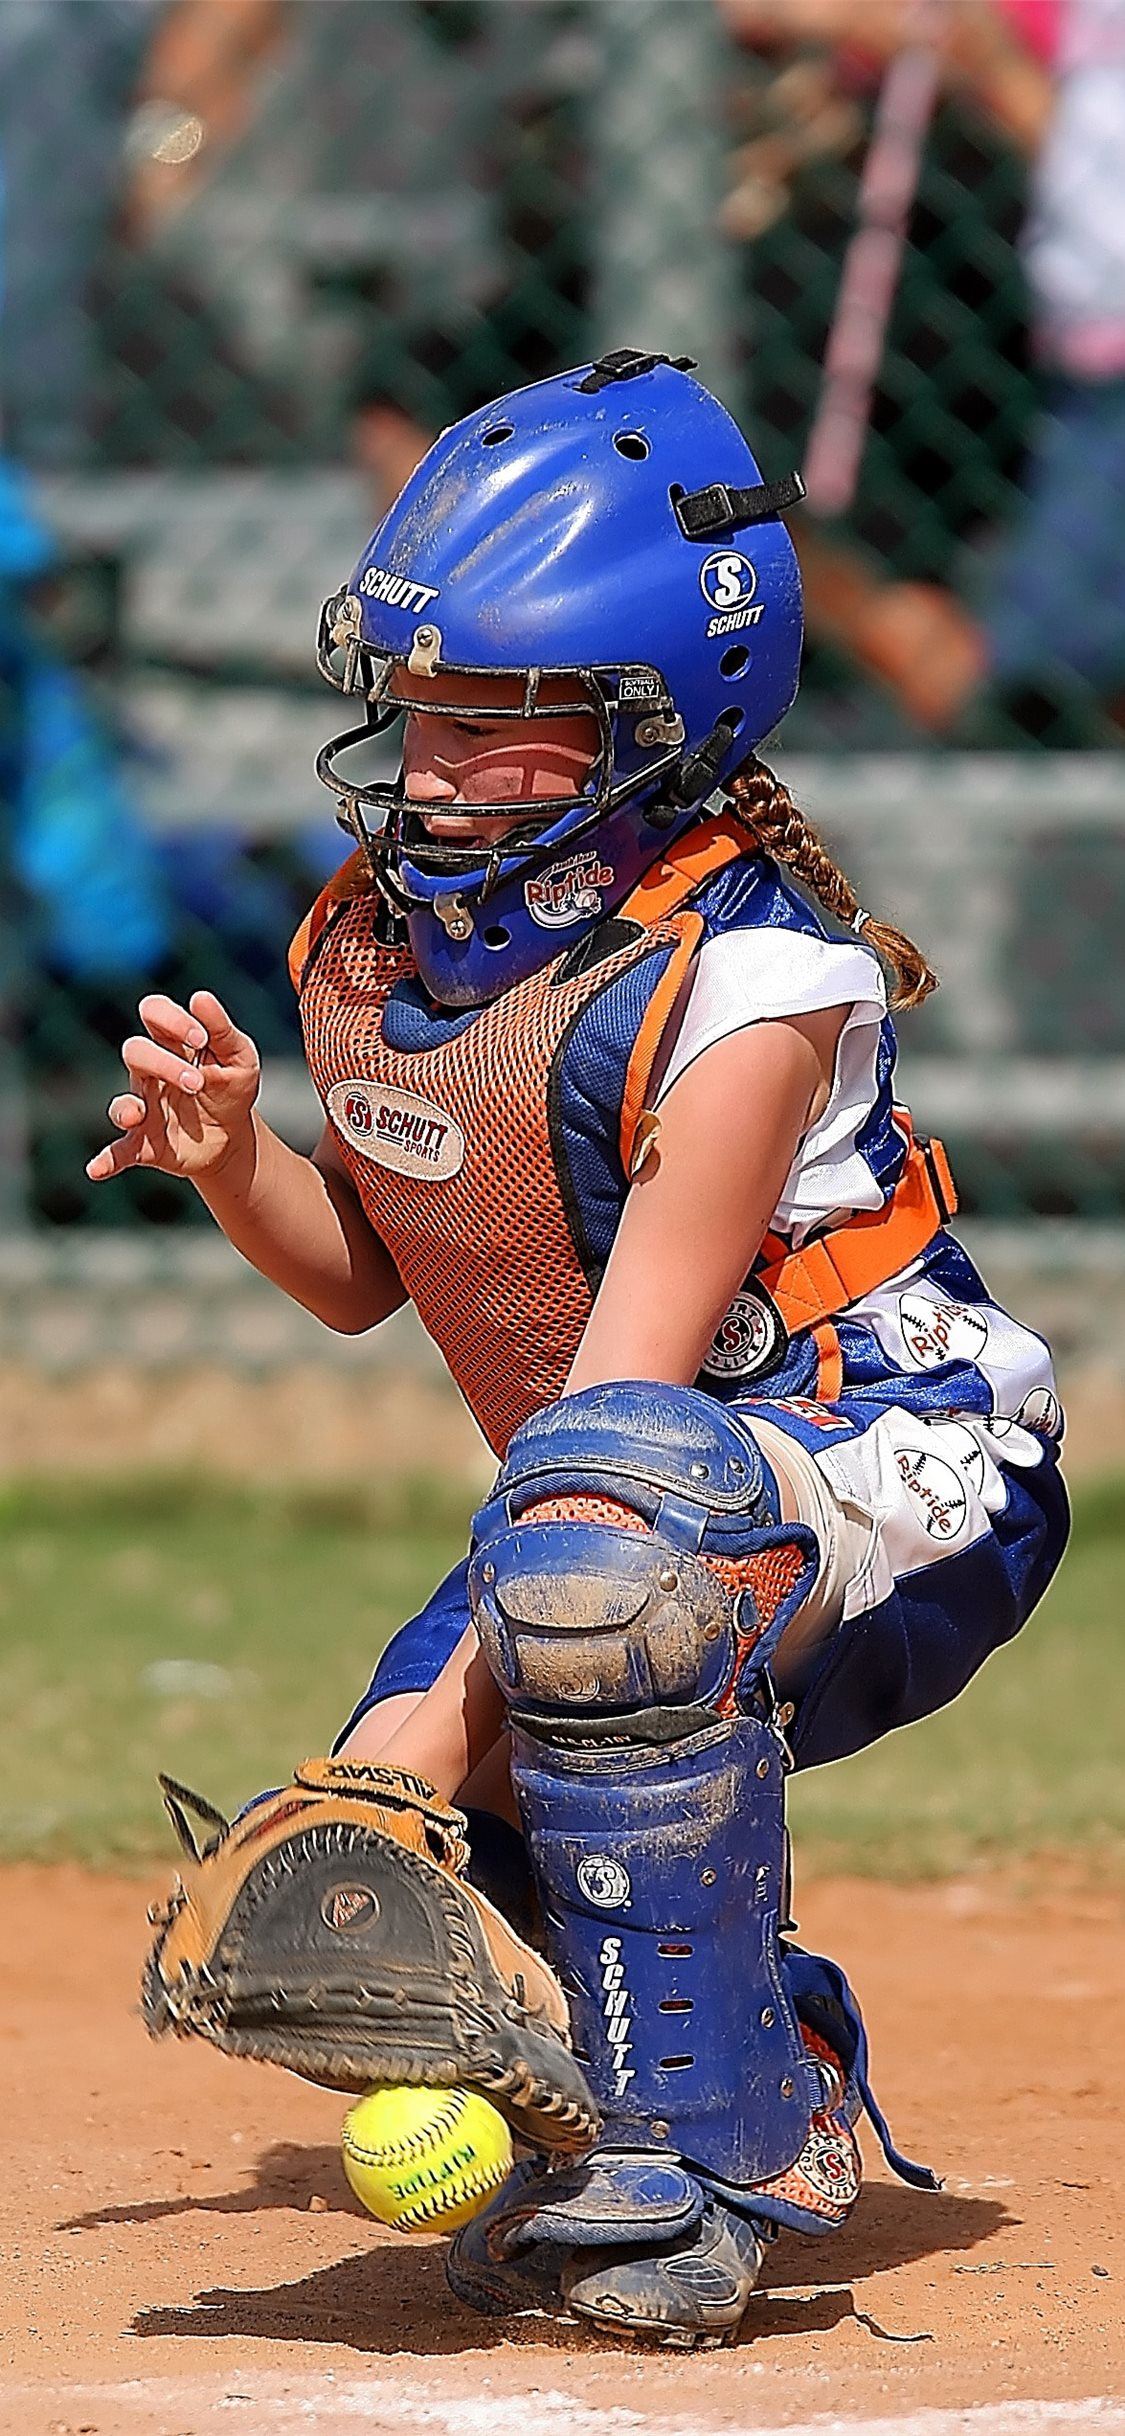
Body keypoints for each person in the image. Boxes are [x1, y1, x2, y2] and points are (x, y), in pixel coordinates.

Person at [103, 352, 1068, 2348]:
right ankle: (736, 2078)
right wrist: (230, 1162)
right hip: (653, 1480)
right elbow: (369, 1276)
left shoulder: (742, 983)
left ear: (660, 725)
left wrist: (402, 1746)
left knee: (585, 1594)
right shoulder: (392, 942)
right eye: (420, 705)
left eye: (503, 720)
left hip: (901, 1446)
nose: (435, 759)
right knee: (548, 1635)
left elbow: (622, 1408)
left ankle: (694, 2166)